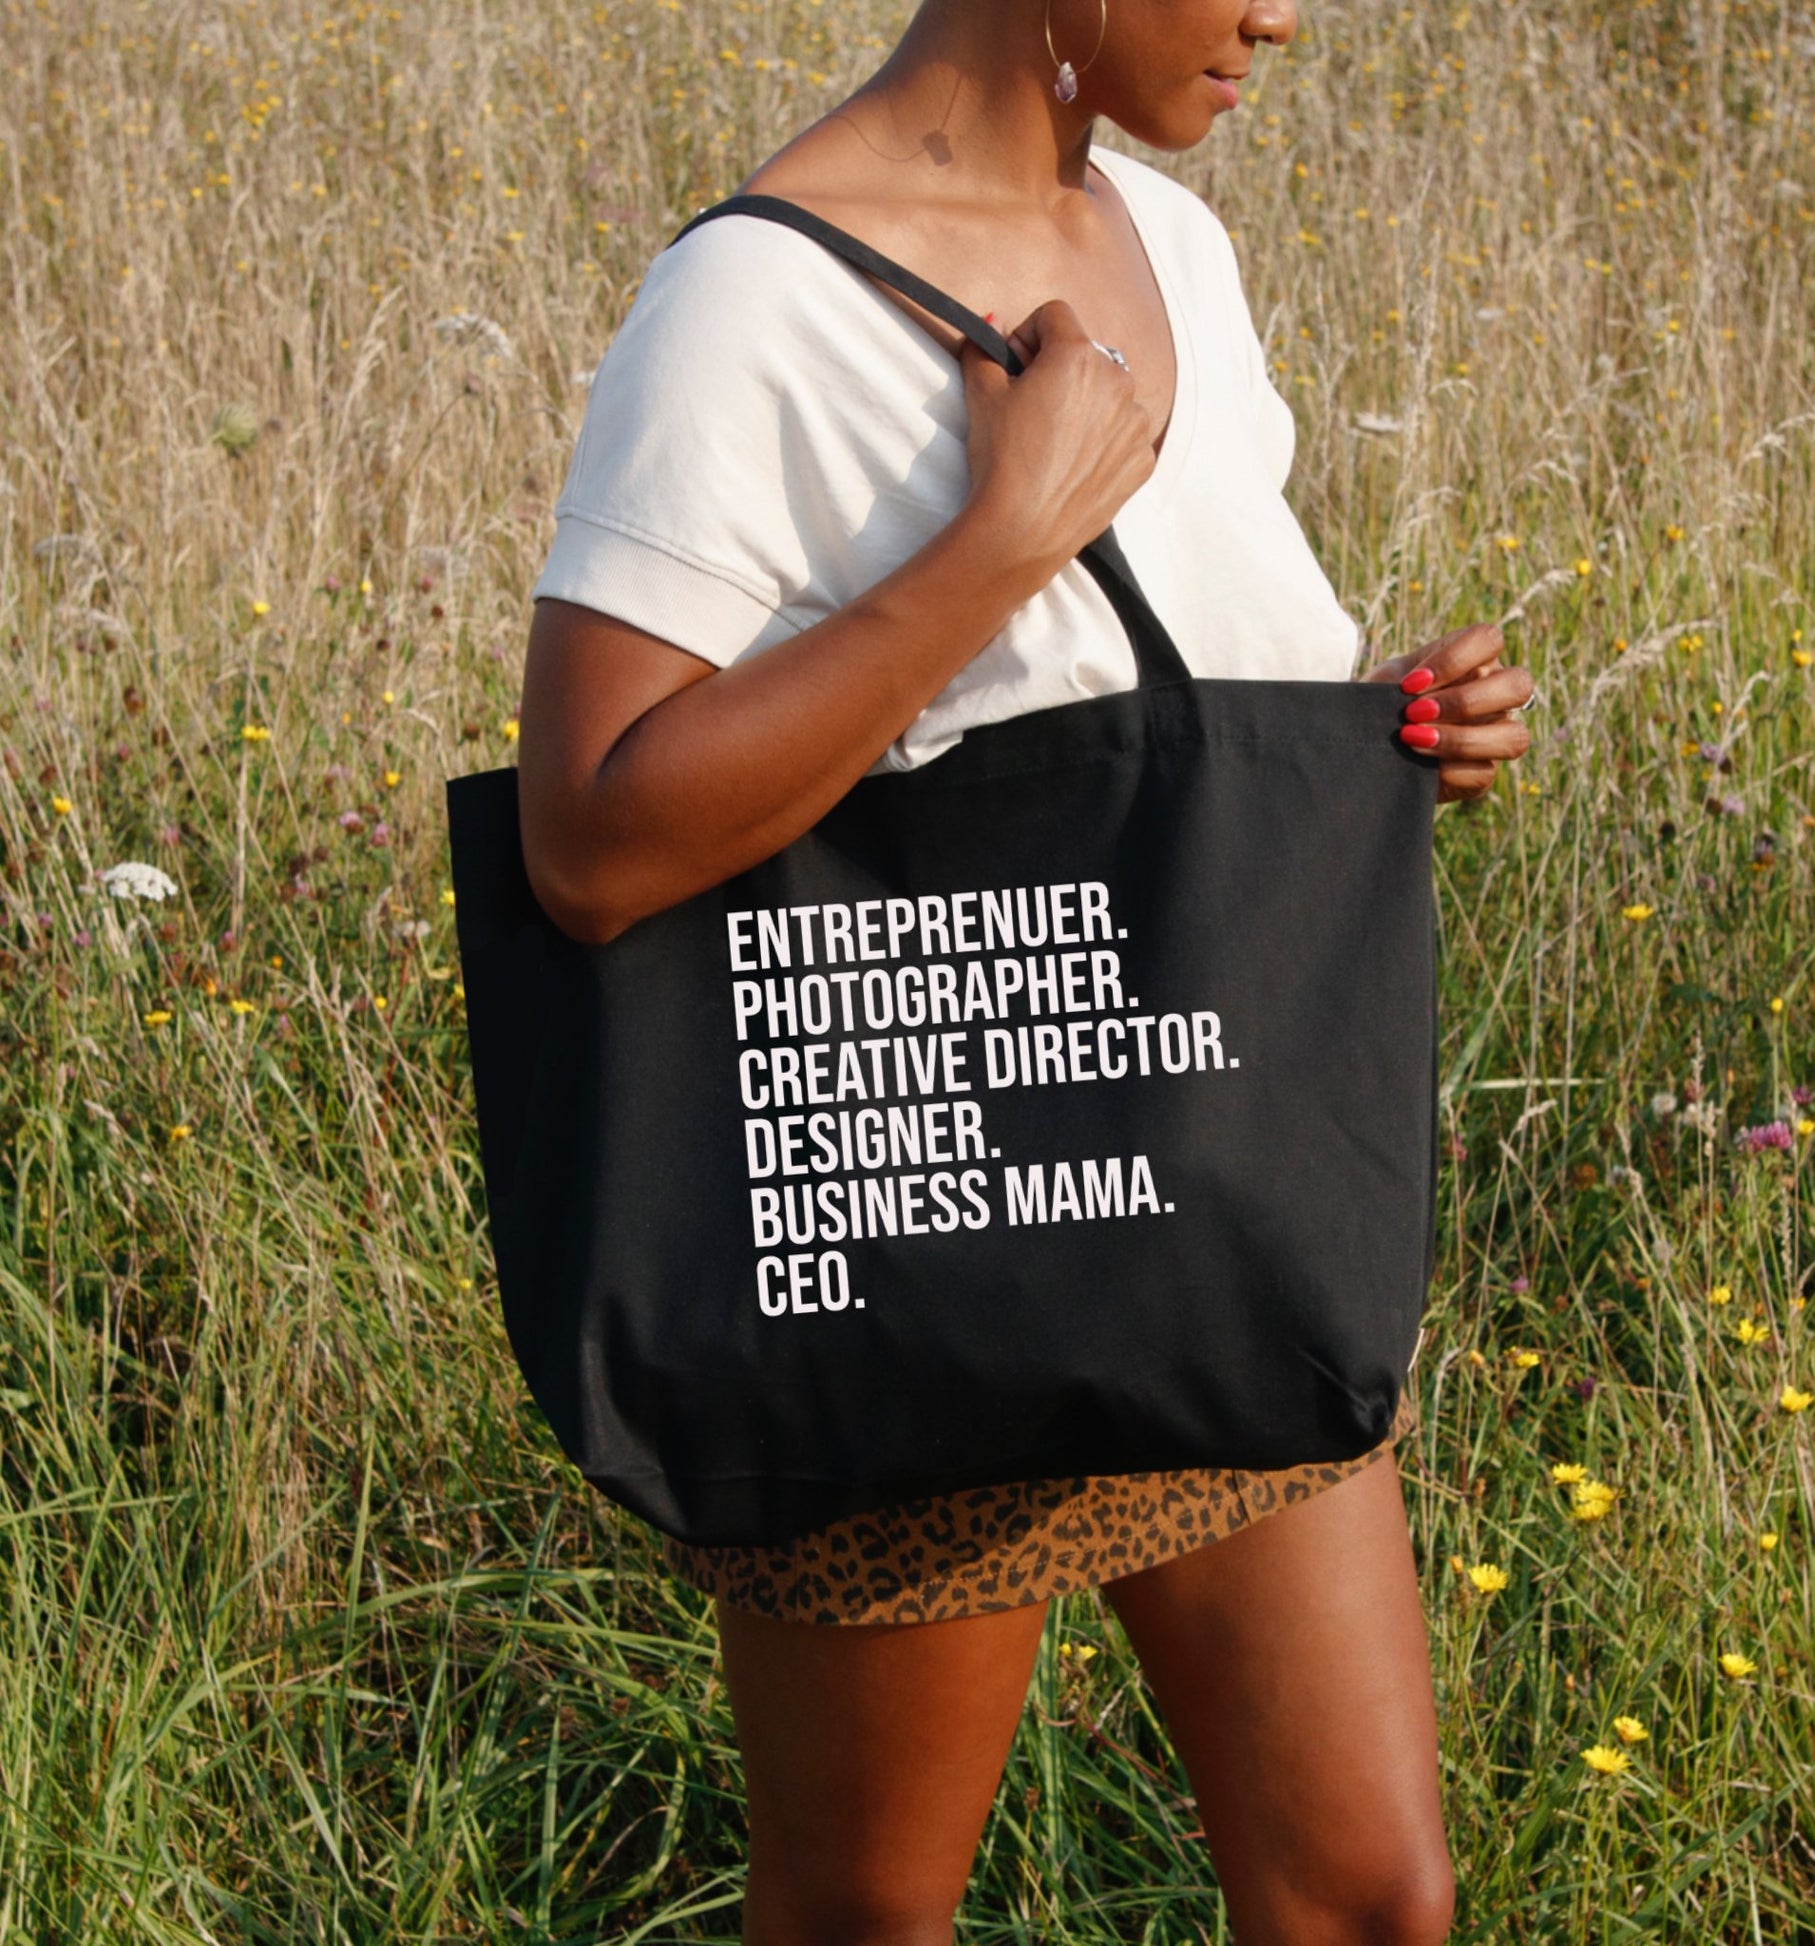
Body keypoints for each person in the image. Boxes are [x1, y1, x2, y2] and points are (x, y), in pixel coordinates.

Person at [516, 0, 1533, 1937]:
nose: (1279, 13)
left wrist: (1379, 730)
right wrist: (999, 540)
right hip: (919, 1196)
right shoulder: (752, 304)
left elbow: (1147, 696)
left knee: (1367, 1896)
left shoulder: (1178, 248)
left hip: (1213, 1198)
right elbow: (587, 841)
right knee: (868, 1915)